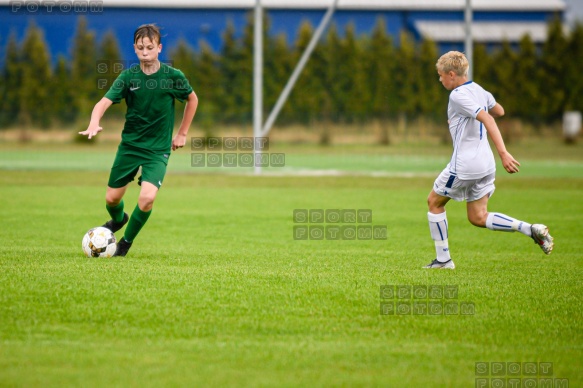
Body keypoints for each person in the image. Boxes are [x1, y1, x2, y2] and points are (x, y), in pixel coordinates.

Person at [424, 51, 553, 269]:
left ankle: (443, 260)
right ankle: (530, 229)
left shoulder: (457, 95)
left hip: (465, 165)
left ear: (452, 74)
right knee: (478, 216)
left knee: (434, 202)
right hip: (486, 165)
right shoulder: (479, 90)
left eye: (441, 75)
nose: (440, 79)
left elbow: (488, 119)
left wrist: (504, 152)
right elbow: (499, 111)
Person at [79, 24, 198, 257]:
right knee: (112, 199)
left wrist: (182, 133)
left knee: (147, 198)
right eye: (141, 47)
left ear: (159, 48)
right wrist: (94, 121)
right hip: (130, 147)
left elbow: (192, 100)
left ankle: (125, 244)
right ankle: (118, 219)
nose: (145, 51)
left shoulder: (173, 77)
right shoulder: (128, 77)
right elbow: (102, 103)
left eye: (150, 47)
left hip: (157, 151)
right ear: (134, 48)